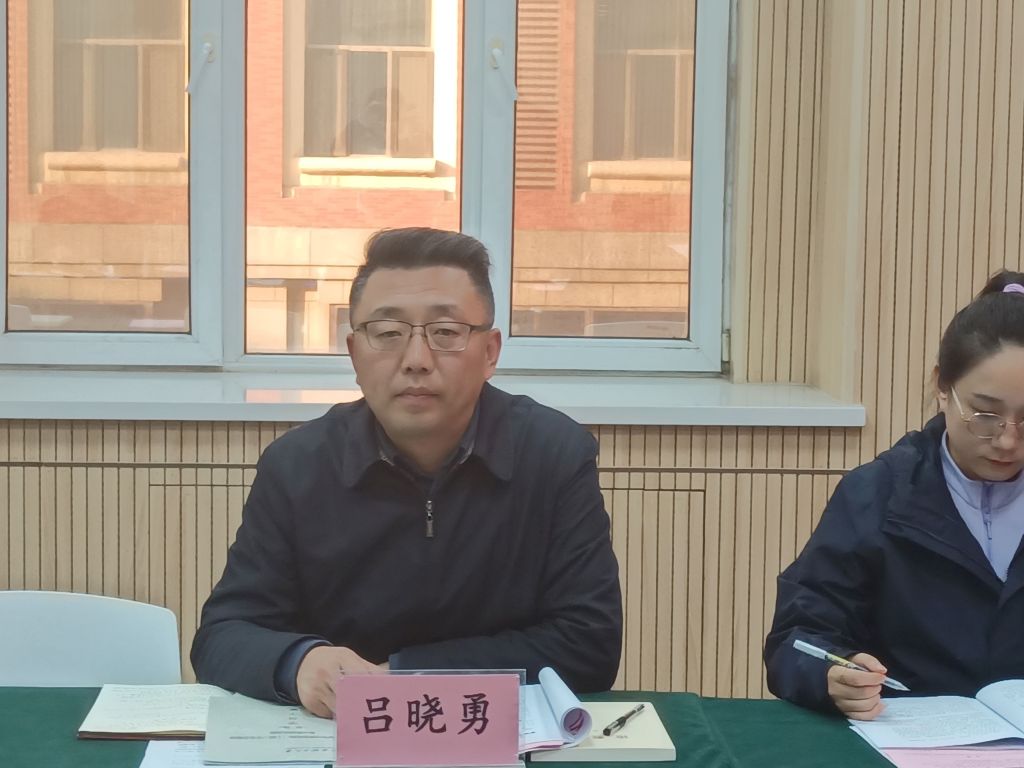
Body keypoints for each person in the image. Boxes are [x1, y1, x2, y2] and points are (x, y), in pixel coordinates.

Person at [191, 227, 623, 717]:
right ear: (354, 353)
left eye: (446, 333)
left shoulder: (554, 454)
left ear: (490, 352)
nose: (416, 360)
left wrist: (403, 675)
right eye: (388, 333)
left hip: (496, 732)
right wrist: (298, 663)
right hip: (337, 732)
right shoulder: (296, 465)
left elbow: (589, 644)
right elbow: (222, 636)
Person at [764, 270, 1024, 720]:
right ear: (942, 387)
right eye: (985, 415)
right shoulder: (877, 495)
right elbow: (799, 636)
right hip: (905, 737)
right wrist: (833, 676)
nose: (1007, 440)